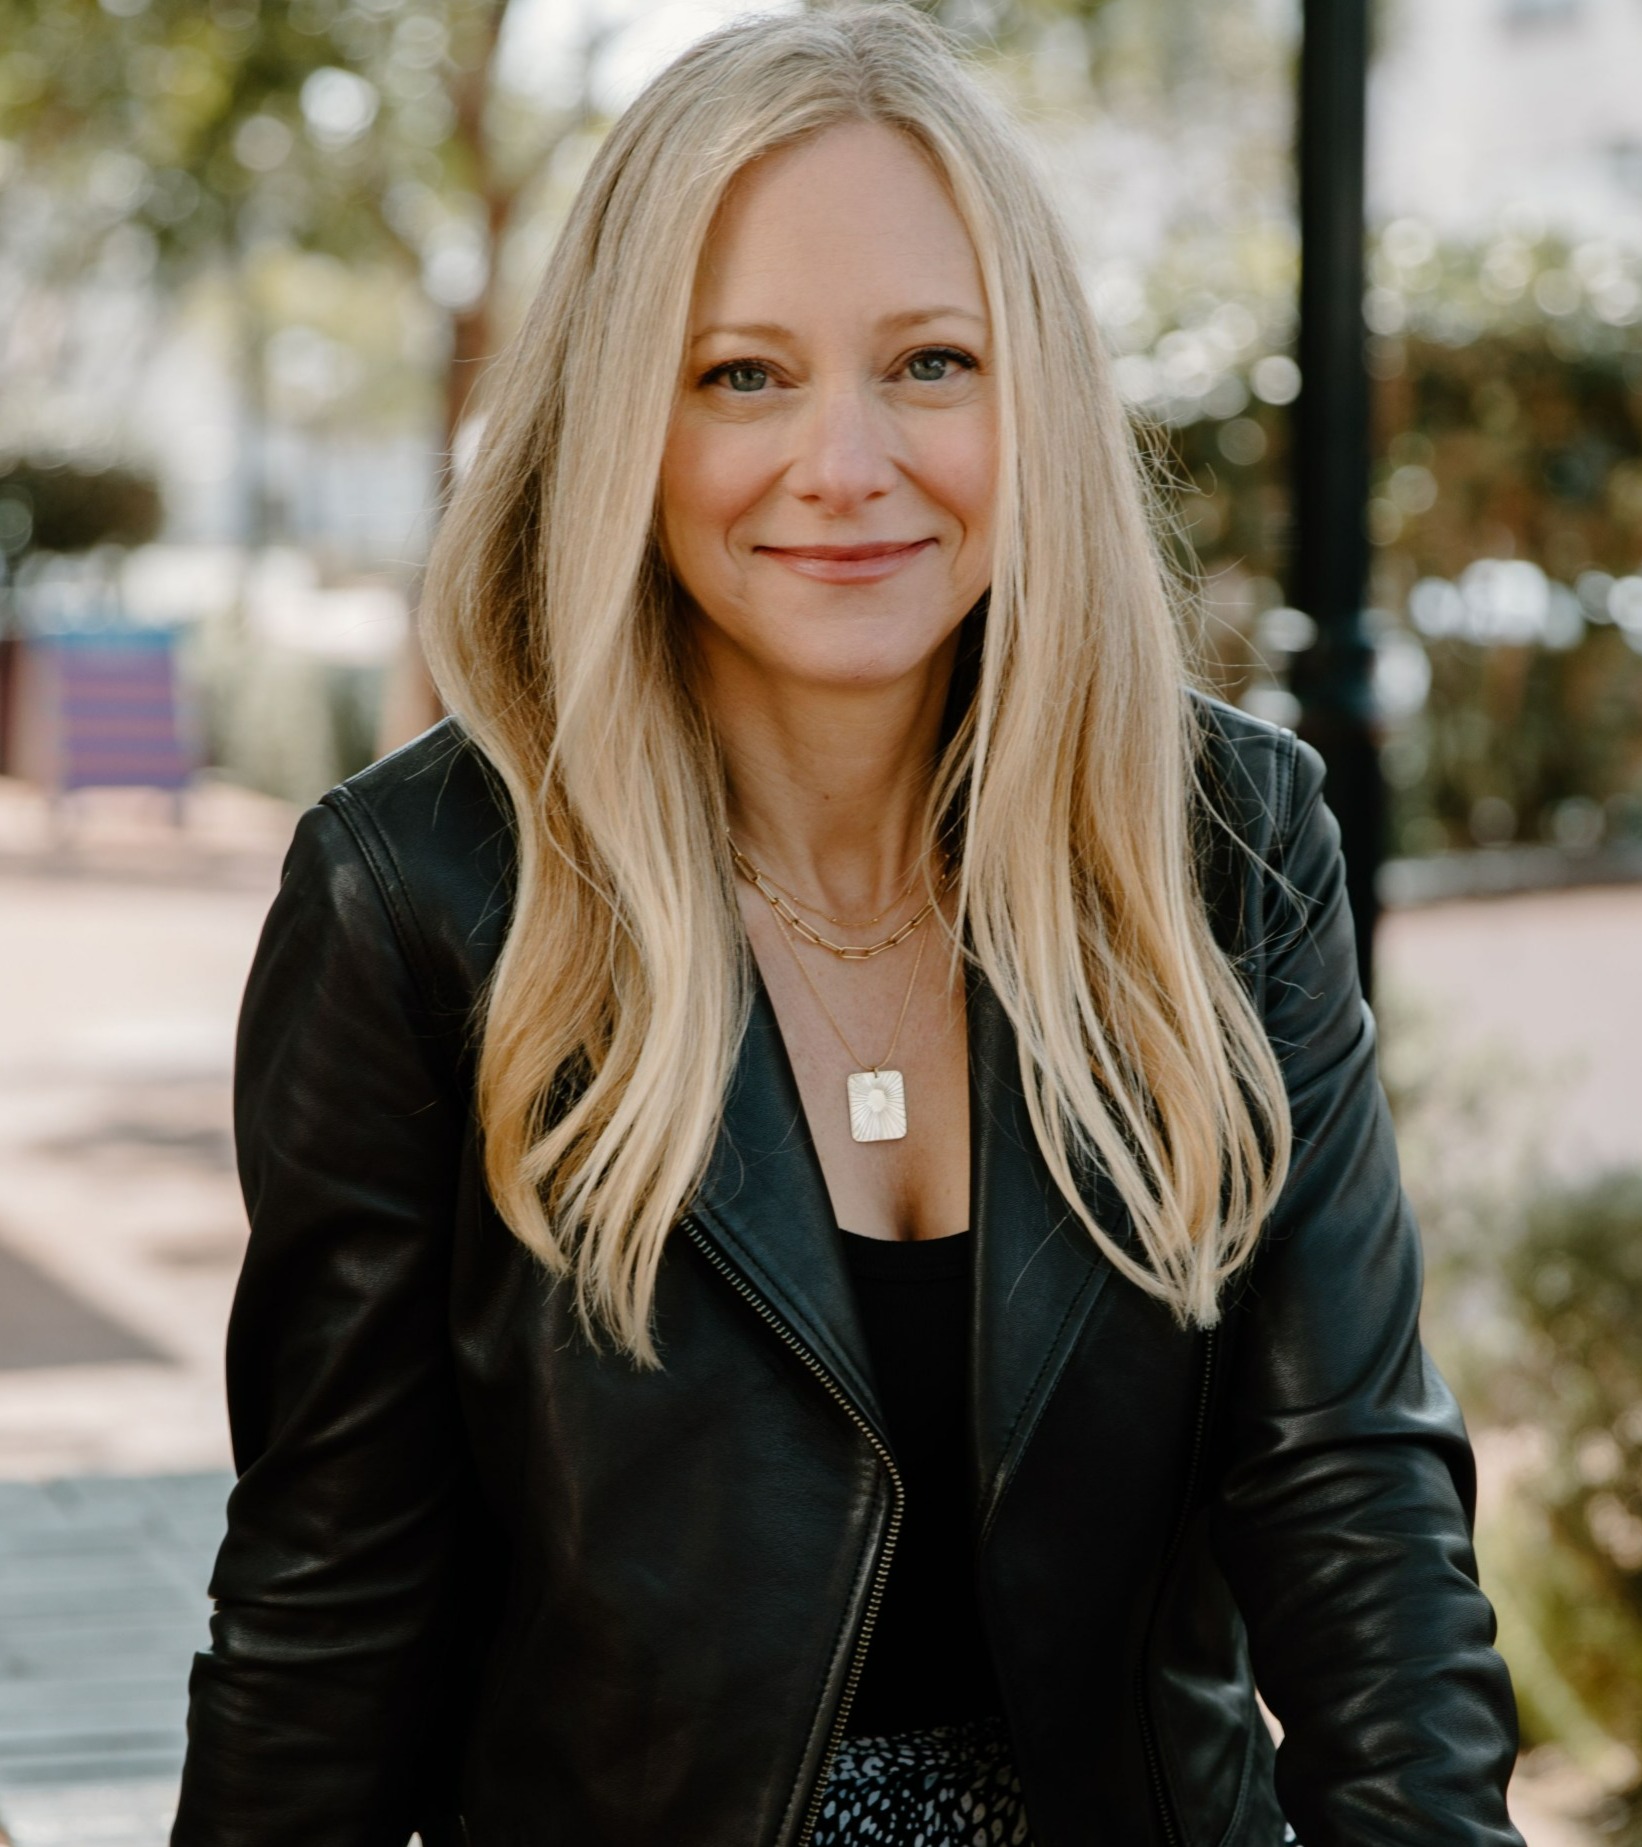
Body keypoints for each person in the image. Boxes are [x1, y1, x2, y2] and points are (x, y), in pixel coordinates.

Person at [171, 8, 1524, 1845]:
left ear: (1029, 393)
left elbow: (1357, 1505)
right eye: (743, 375)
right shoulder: (417, 899)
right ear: (621, 417)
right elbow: (326, 1624)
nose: (844, 461)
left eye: (930, 364)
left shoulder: (1224, 845)